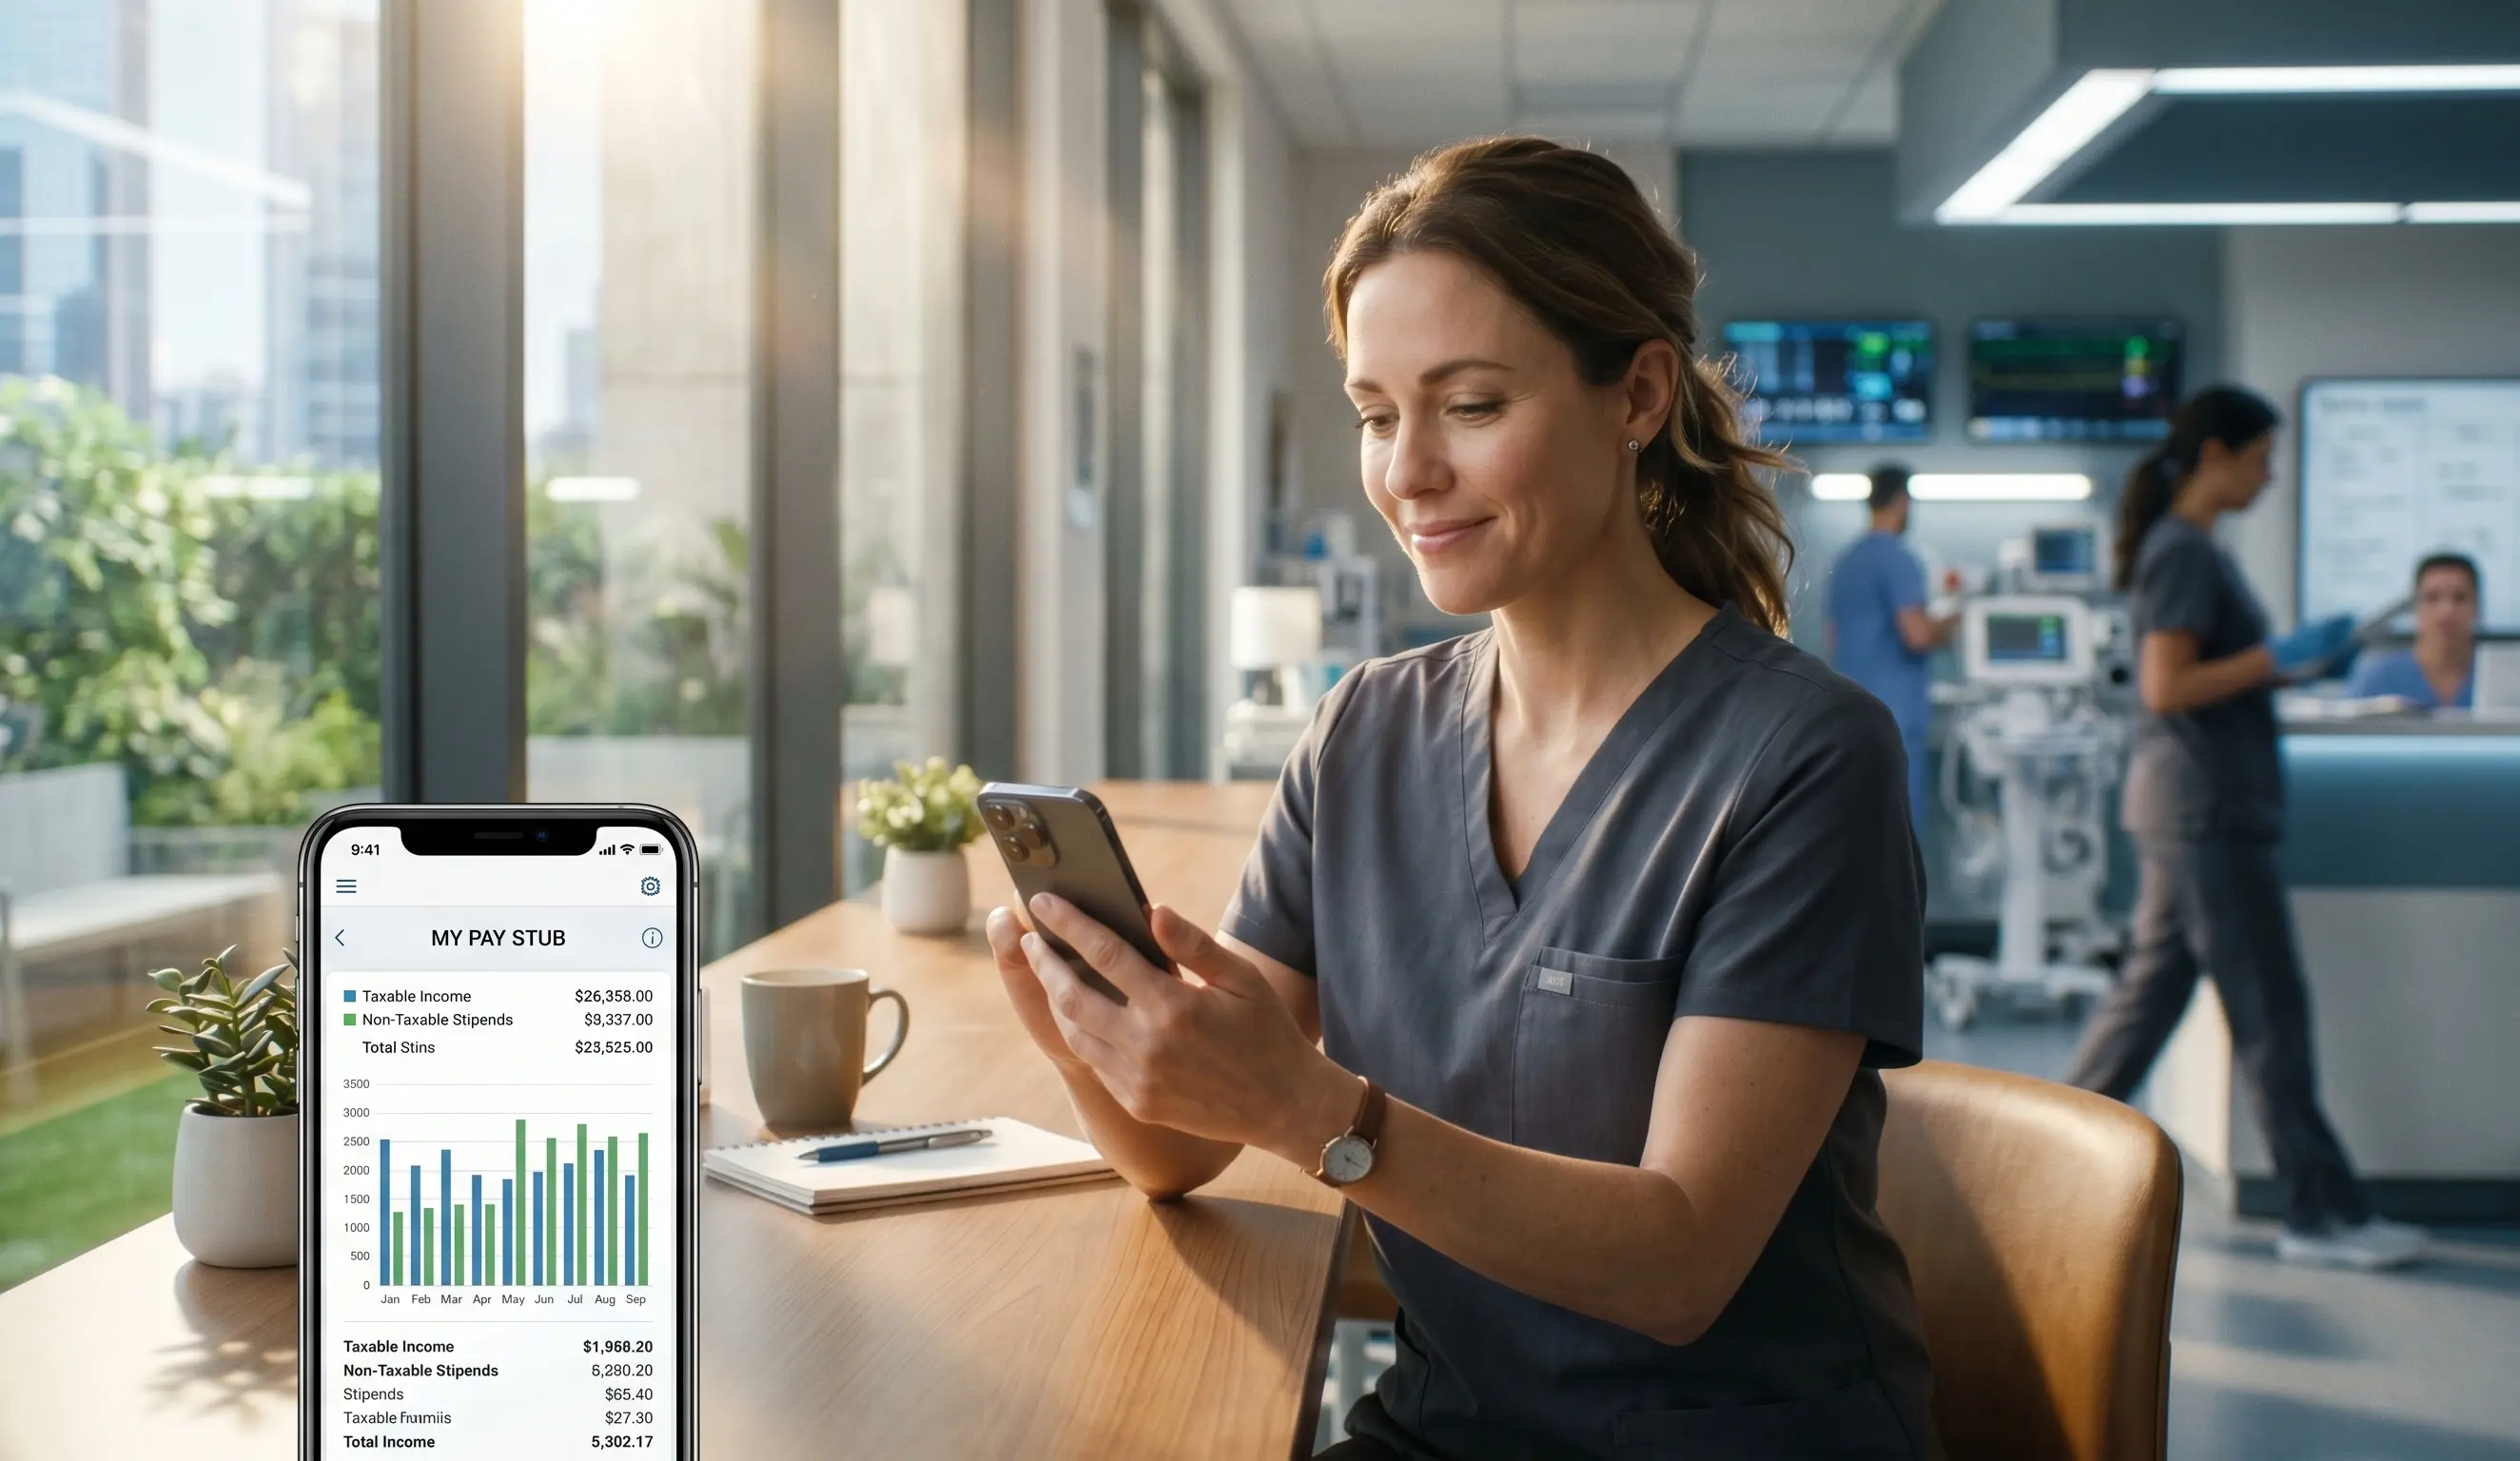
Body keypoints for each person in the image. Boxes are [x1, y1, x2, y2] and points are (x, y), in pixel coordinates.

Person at [986, 137, 1944, 1458]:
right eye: (1377, 415)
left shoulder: (1805, 758)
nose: (1407, 472)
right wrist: (1093, 1036)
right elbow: (1177, 1151)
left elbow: (1680, 1263)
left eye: (1472, 405)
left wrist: (1309, 1111)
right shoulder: (1361, 735)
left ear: (1638, 393)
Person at [2064, 385, 2425, 1270]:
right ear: (2215, 455)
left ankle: (2029, 1164)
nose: (2268, 478)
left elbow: (2203, 676)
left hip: (2194, 810)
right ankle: (2321, 1214)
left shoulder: (2186, 548)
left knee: (2144, 1008)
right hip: (2205, 815)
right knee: (2270, 1014)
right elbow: (2165, 686)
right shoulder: (2183, 551)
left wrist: (2294, 667)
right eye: (2261, 460)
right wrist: (2275, 657)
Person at [1827, 464, 1958, 827]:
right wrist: (1957, 622)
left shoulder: (1846, 562)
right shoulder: (1899, 559)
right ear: (1902, 502)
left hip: (1849, 719)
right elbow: (1917, 633)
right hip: (1895, 719)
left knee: (1857, 827)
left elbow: (1832, 636)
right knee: (1898, 828)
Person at [2348, 553, 2479, 710]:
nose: (2446, 610)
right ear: (2415, 607)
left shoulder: (2496, 678)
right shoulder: (2377, 678)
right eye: (2432, 598)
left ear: (2476, 606)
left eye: (2459, 598)